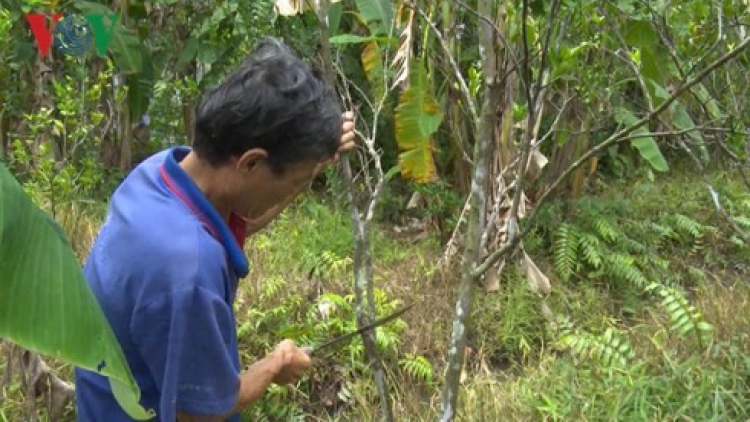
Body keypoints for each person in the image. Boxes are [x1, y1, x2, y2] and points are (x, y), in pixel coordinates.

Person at [73, 37, 356, 421]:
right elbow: (199, 414)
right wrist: (273, 365)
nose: (293, 190)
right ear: (252, 162)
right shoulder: (188, 269)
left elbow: (240, 220)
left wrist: (309, 163)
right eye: (292, 181)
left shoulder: (158, 174)